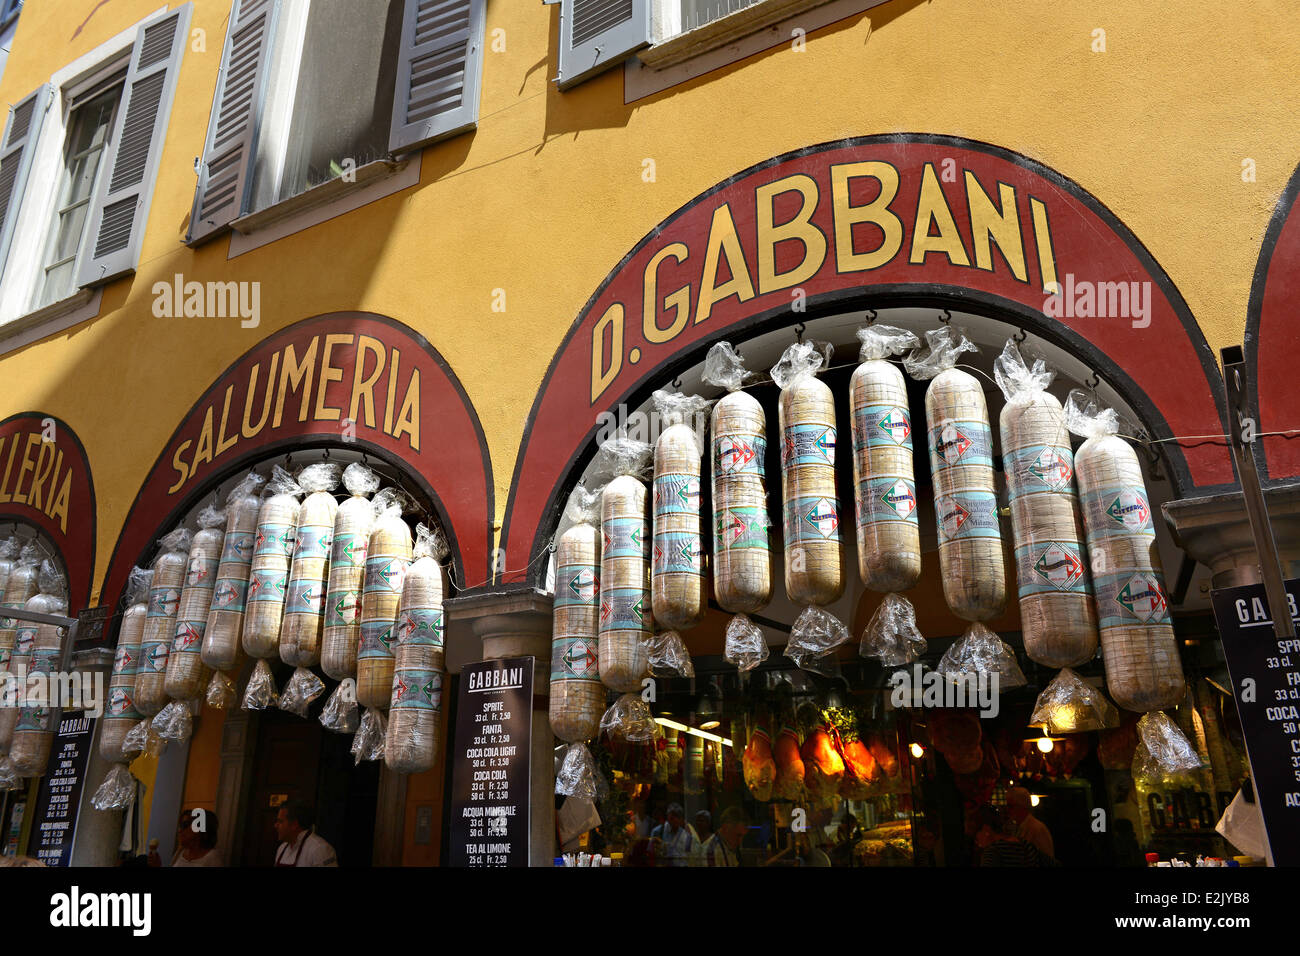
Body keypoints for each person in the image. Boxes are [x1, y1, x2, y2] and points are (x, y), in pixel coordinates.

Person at [150, 808, 223, 867]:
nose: (179, 830)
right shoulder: (181, 851)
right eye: (180, 826)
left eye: (185, 825)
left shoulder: (212, 858)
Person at [273, 802, 337, 867]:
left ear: (294, 825)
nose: (275, 825)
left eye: (280, 821)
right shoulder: (282, 848)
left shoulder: (320, 849)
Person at [1006, 787, 1054, 859]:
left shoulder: (1037, 829)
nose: (1007, 810)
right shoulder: (1016, 827)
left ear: (1022, 806)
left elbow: (1047, 859)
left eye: (1010, 806)